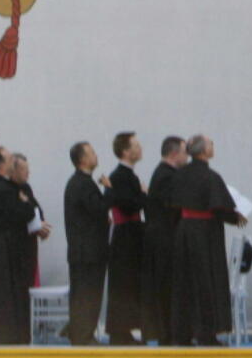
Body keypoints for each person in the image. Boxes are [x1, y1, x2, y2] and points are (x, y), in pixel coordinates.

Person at [170, 134, 244, 346]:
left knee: (184, 283)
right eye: (211, 143)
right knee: (206, 282)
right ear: (203, 152)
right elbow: (221, 209)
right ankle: (206, 333)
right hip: (205, 234)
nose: (213, 145)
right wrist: (236, 218)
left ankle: (182, 333)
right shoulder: (211, 177)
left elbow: (172, 204)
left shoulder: (179, 175)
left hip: (184, 232)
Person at [0, 148, 34, 344]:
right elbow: (25, 214)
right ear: (1, 165)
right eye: (10, 159)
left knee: (1, 294)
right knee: (6, 294)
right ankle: (10, 338)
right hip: (5, 246)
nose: (13, 162)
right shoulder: (4, 189)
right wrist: (26, 204)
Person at [64, 141, 111, 346]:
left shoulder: (80, 182)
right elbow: (99, 209)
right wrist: (108, 190)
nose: (95, 155)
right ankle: (83, 337)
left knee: (83, 294)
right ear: (82, 159)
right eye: (92, 152)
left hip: (84, 251)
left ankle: (79, 333)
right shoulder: (82, 183)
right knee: (88, 294)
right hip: (88, 252)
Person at [142, 135, 187, 345]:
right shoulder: (168, 176)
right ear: (174, 153)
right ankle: (168, 335)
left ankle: (168, 334)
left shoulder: (163, 174)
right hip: (164, 242)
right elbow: (173, 207)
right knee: (167, 289)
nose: (187, 157)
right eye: (185, 152)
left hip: (161, 240)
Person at [106, 131, 147, 345]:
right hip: (125, 235)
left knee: (129, 282)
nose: (140, 148)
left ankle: (125, 329)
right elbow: (128, 204)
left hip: (131, 233)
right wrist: (144, 194)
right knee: (123, 283)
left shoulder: (127, 175)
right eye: (136, 145)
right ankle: (119, 332)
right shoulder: (120, 176)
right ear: (125, 151)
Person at [10, 153, 50, 291]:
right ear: (13, 170)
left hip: (30, 246)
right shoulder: (8, 190)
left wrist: (41, 225)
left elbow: (37, 209)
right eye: (23, 169)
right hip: (17, 249)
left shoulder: (26, 188)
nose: (28, 172)